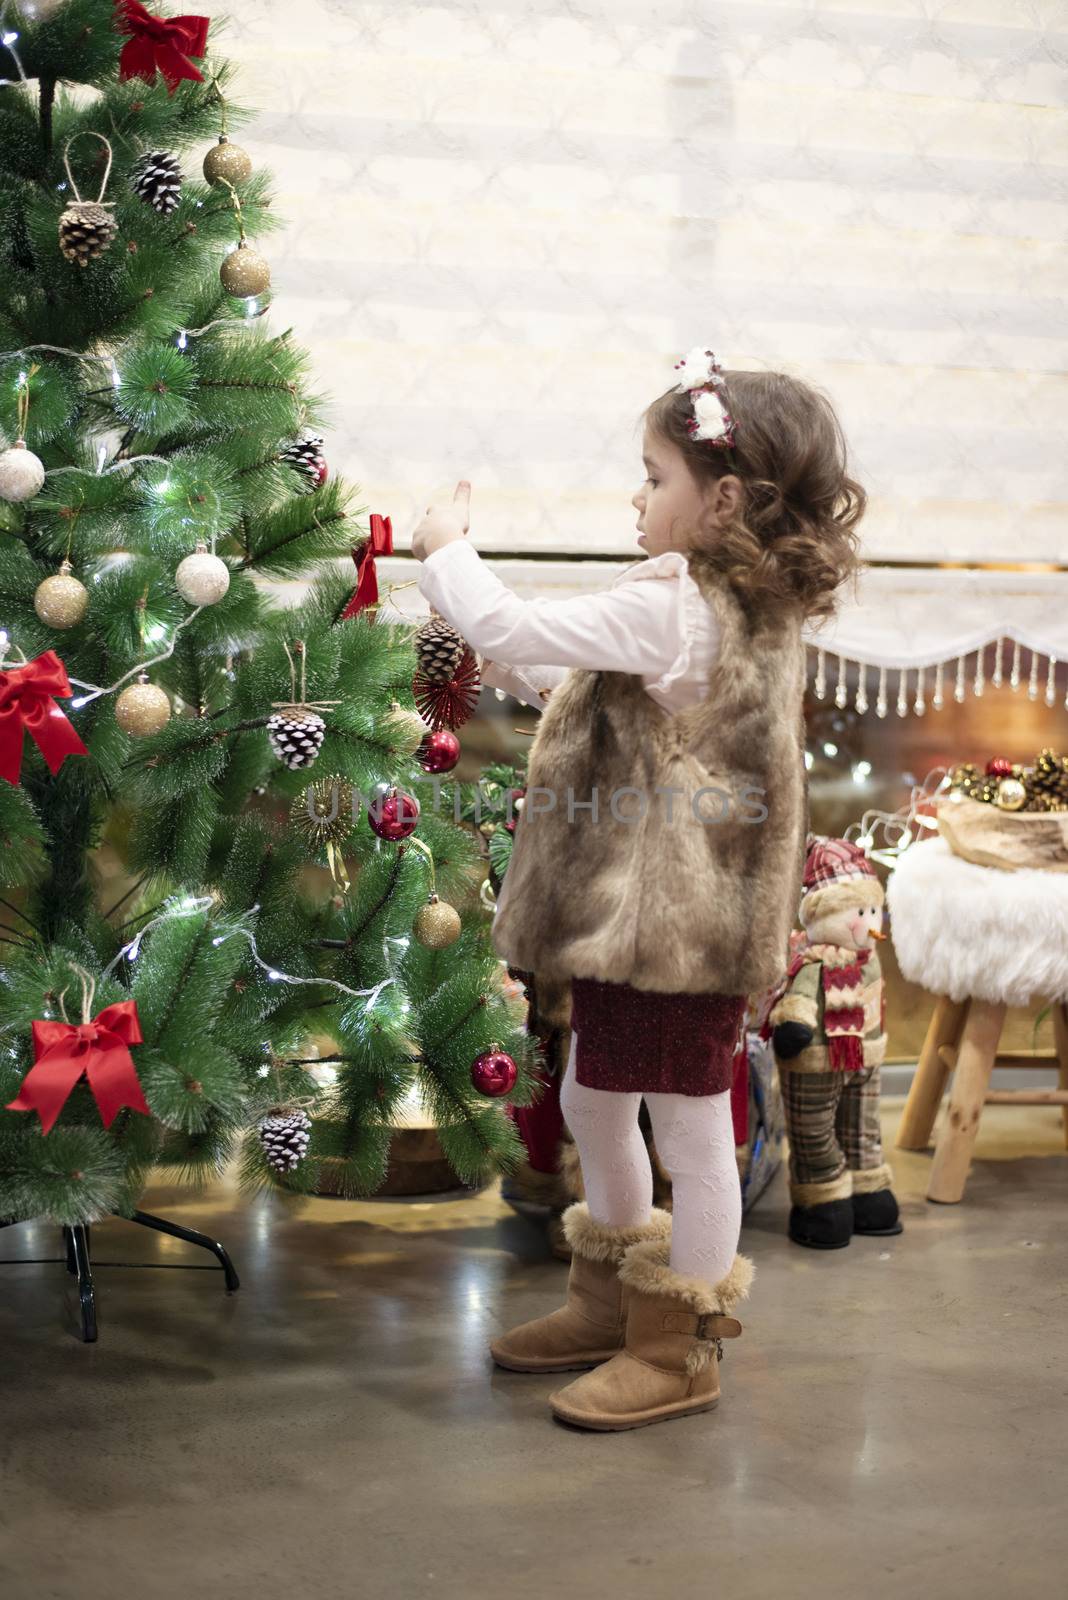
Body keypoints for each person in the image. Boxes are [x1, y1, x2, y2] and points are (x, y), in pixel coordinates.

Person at [410, 348, 865, 1430]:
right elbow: (574, 679)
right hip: (652, 923)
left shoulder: (677, 603)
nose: (635, 493)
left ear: (723, 502)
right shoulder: (718, 606)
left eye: (654, 474)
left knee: (690, 1124)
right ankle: (609, 1294)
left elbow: (516, 629)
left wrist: (447, 553)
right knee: (596, 1098)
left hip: (676, 929)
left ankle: (680, 1343)